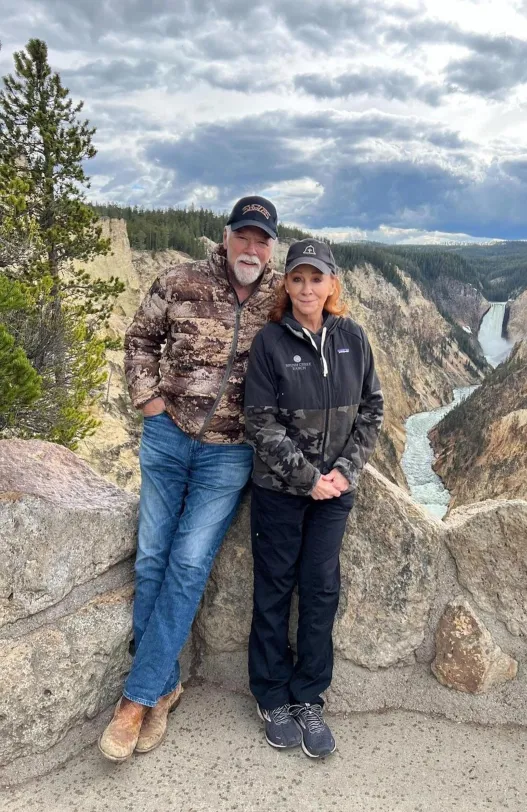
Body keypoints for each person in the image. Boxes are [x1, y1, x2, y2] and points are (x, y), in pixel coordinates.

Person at [98, 196, 280, 762]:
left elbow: (321, 334)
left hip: (230, 454)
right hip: (168, 436)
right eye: (243, 236)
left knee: (187, 561)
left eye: (262, 239)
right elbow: (139, 340)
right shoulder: (178, 280)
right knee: (152, 556)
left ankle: (136, 700)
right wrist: (147, 401)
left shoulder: (279, 298)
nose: (251, 248)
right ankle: (164, 683)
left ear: (271, 247)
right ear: (226, 237)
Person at [244, 238, 383, 758]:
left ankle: (309, 697)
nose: (307, 288)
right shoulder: (271, 343)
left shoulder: (353, 339)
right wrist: (309, 478)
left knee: (321, 591)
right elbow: (259, 421)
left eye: (316, 278)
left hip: (336, 493)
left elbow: (372, 409)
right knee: (274, 589)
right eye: (297, 278)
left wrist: (344, 472)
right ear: (287, 284)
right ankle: (271, 696)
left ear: (332, 284)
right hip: (281, 492)